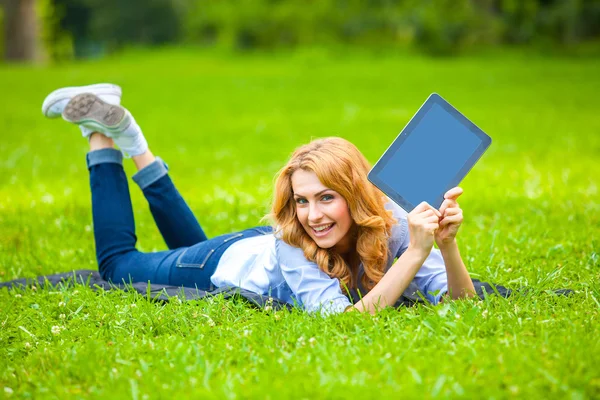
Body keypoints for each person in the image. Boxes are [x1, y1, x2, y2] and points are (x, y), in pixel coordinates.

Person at [42, 83, 476, 315]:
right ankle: (102, 136)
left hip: (249, 248)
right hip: (220, 264)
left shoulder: (397, 219)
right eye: (301, 200)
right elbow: (346, 323)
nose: (312, 215)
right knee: (117, 265)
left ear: (355, 194)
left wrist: (444, 245)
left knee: (182, 249)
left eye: (326, 198)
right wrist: (415, 255)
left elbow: (463, 304)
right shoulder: (295, 238)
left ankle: (135, 143)